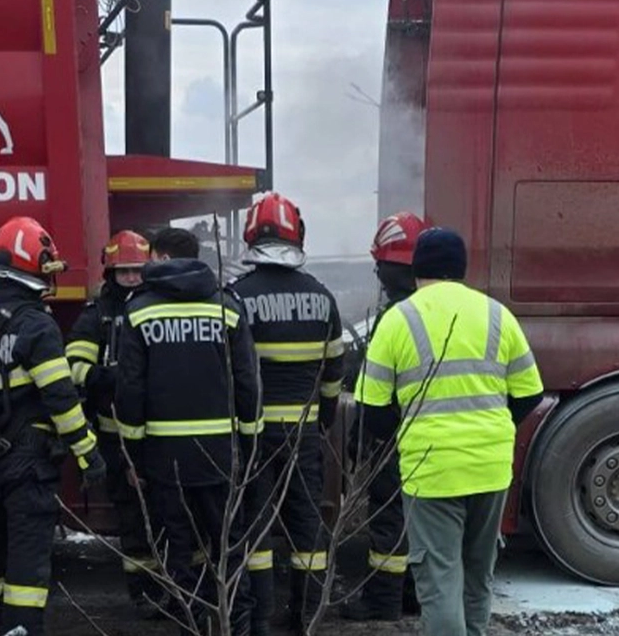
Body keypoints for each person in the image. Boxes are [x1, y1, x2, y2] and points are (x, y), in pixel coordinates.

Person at [354, 228, 544, 636]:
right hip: (491, 466)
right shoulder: (497, 314)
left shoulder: (398, 319)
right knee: (478, 574)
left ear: (416, 268)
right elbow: (530, 394)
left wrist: (408, 432)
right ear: (461, 268)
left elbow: (371, 408)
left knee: (440, 581)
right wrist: (493, 426)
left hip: (431, 470)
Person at [0, 216, 107, 636]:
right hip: (28, 463)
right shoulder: (36, 325)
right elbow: (61, 399)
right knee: (27, 568)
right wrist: (89, 454)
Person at [115, 227, 259, 636]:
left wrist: (133, 455)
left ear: (160, 257)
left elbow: (130, 389)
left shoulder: (139, 311)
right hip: (220, 454)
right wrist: (249, 444)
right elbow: (247, 382)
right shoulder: (226, 307)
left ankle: (191, 628)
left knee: (180, 552)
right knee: (229, 549)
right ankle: (237, 628)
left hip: (165, 458)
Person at [229, 192, 344, 636]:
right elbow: (333, 374)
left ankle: (259, 617)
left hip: (254, 435)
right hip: (303, 432)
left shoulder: (237, 297)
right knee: (307, 522)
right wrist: (323, 419)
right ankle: (307, 615)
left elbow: (230, 374)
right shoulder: (323, 298)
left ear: (251, 234)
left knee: (255, 524)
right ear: (298, 235)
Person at [64, 229, 161, 608]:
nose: (132, 278)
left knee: (168, 514)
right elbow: (74, 367)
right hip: (115, 436)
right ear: (111, 274)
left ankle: (175, 589)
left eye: (138, 271)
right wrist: (114, 377)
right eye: (125, 272)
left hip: (159, 433)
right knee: (132, 518)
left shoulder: (158, 308)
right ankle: (143, 594)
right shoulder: (97, 316)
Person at [342, 211, 428, 622]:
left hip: (395, 435)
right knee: (423, 520)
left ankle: (383, 602)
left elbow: (373, 387)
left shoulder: (394, 317)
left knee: (389, 518)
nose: (377, 273)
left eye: (381, 264)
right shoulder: (443, 311)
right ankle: (414, 594)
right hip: (436, 436)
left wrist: (362, 438)